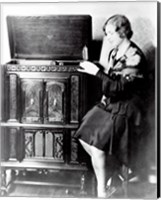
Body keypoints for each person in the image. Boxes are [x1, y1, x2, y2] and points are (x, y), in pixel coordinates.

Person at [74, 14, 146, 198]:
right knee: (83, 135)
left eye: (111, 34)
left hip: (127, 107)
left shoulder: (134, 57)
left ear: (123, 32)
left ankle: (102, 192)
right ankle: (108, 175)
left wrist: (97, 72)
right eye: (106, 34)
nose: (108, 38)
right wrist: (98, 72)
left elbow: (120, 88)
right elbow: (112, 81)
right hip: (112, 102)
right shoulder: (115, 51)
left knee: (98, 148)